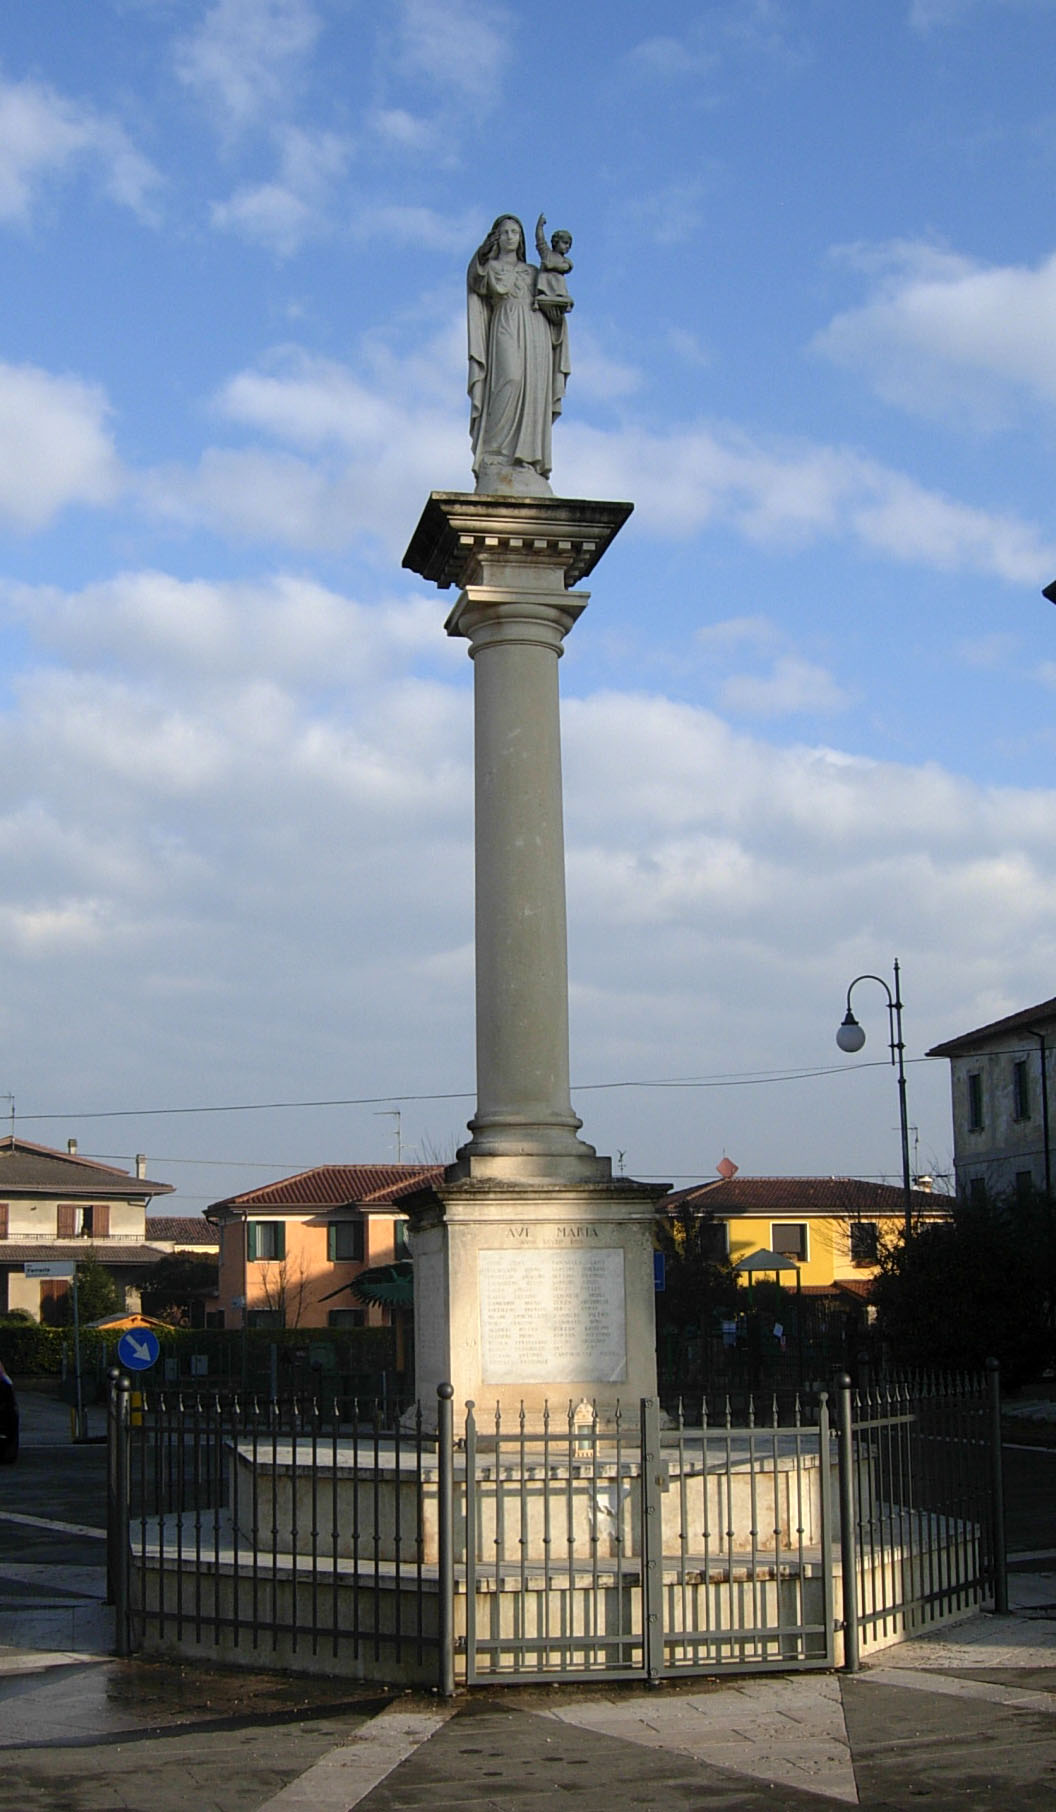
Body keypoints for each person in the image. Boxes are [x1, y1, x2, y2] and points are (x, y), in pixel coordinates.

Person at [466, 213, 571, 492]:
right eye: (506, 232)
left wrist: (557, 314)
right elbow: (475, 278)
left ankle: (527, 459)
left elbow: (552, 300)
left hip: (536, 330)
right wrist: (484, 250)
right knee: (509, 379)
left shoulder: (532, 272)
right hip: (507, 323)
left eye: (515, 232)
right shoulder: (489, 268)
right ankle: (495, 455)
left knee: (533, 390)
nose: (511, 237)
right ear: (496, 237)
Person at [534, 214, 574, 322]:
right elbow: (540, 241)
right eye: (565, 243)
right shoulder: (547, 254)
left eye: (569, 245)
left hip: (558, 284)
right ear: (556, 242)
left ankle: (560, 296)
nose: (567, 247)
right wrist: (539, 227)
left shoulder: (566, 260)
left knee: (559, 278)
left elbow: (565, 268)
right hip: (545, 282)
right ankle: (543, 293)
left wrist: (551, 266)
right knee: (543, 276)